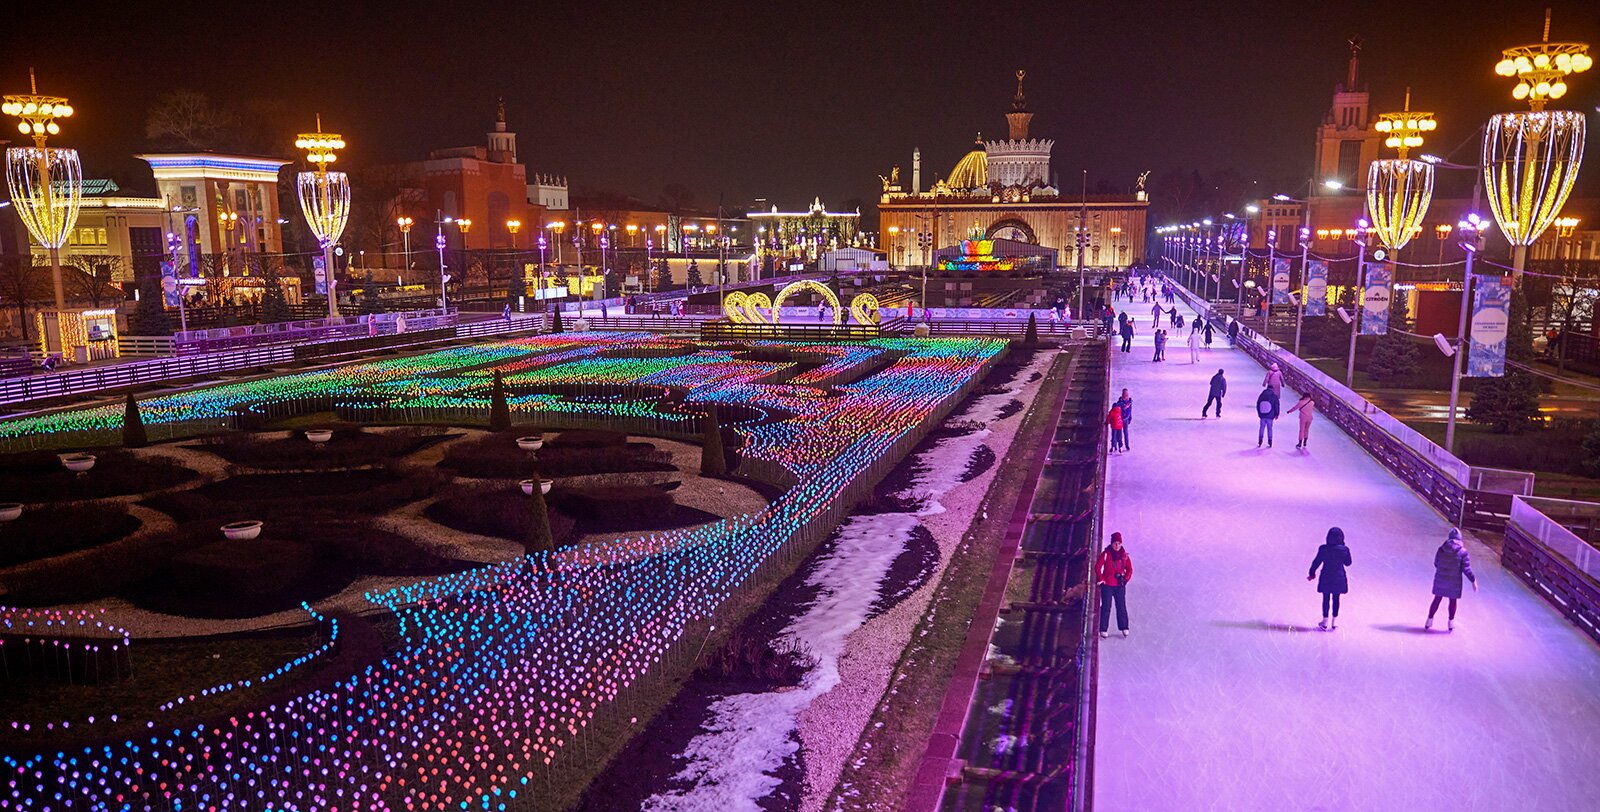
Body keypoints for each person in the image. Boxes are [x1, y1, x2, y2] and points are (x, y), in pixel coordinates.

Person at [1427, 528, 1479, 631]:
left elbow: (1436, 563)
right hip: (1454, 582)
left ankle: (1429, 619)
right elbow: (1466, 569)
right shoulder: (1462, 552)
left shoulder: (1441, 549)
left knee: (1437, 599)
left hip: (1440, 579)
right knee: (1452, 601)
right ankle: (1451, 623)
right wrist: (1473, 580)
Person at [1308, 527, 1352, 630]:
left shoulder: (1323, 549)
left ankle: (1325, 621)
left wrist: (1312, 572)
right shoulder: (1344, 549)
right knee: (1336, 598)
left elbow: (1316, 561)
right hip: (1339, 577)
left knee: (1325, 598)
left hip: (1326, 576)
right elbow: (1348, 563)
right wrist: (1344, 551)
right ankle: (1334, 621)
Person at [1096, 532, 1134, 638]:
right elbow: (1097, 568)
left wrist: (1125, 579)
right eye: (1115, 543)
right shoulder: (1106, 554)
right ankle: (1103, 629)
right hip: (1107, 585)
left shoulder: (1124, 556)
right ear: (1111, 544)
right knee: (1106, 607)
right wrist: (1102, 579)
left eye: (1119, 543)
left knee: (1121, 606)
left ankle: (1124, 626)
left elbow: (1130, 569)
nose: (1117, 546)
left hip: (1119, 586)